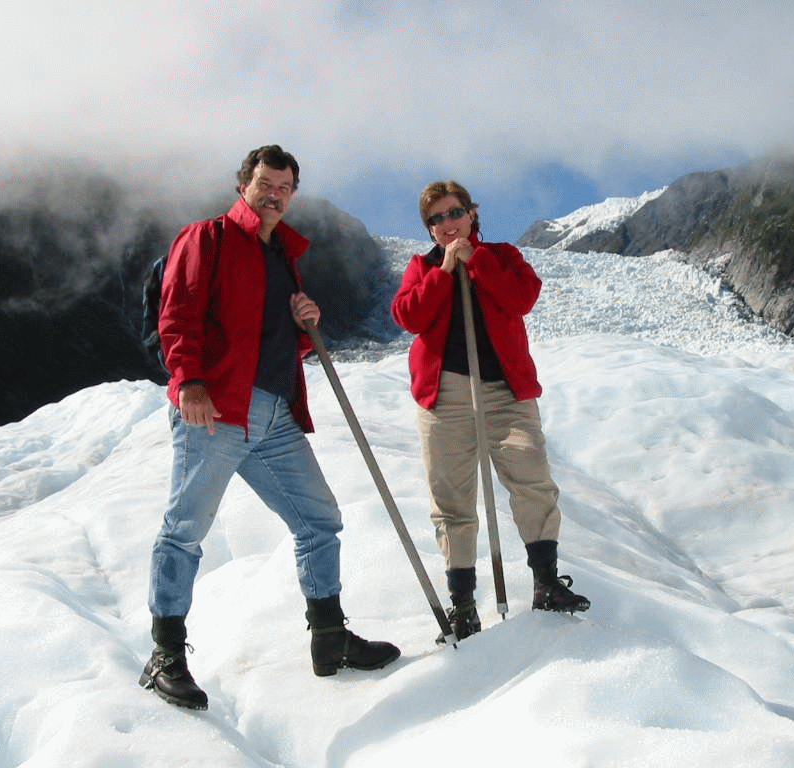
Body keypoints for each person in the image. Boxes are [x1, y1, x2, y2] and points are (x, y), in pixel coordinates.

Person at [139, 145, 399, 710]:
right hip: (218, 408)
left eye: (284, 187)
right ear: (244, 184)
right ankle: (165, 655)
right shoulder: (206, 238)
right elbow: (176, 314)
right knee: (184, 528)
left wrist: (304, 326)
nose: (274, 194)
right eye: (264, 183)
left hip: (274, 412)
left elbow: (266, 336)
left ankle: (329, 638)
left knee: (320, 520)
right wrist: (188, 382)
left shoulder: (282, 255)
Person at [391, 180, 590, 643]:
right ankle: (463, 607)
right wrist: (443, 271)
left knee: (532, 478)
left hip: (505, 390)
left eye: (454, 212)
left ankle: (545, 583)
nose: (447, 223)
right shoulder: (421, 267)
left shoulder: (501, 257)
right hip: (446, 395)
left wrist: (475, 261)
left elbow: (521, 299)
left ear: (471, 213)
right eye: (436, 218)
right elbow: (409, 317)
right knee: (452, 500)